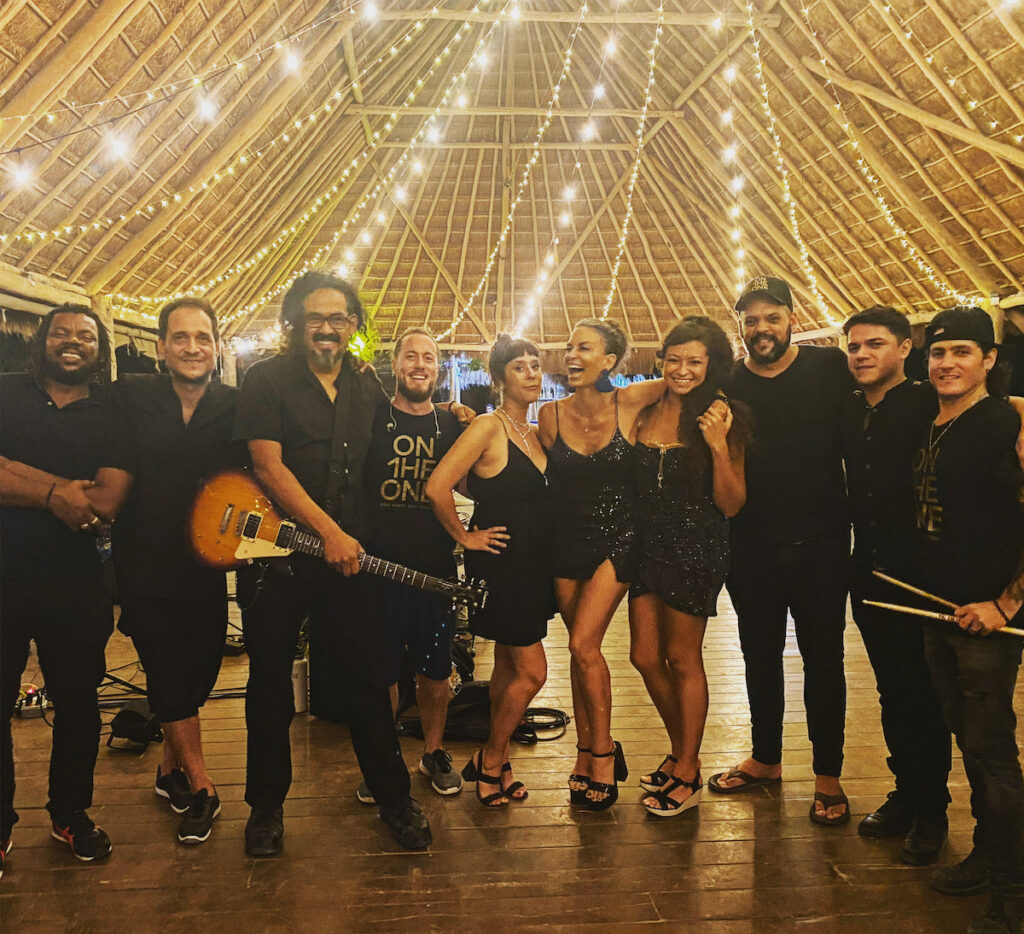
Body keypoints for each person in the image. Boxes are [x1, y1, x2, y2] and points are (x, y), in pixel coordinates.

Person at [232, 271, 431, 854]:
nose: (327, 328)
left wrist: (452, 416)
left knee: (369, 681)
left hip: (349, 563)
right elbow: (269, 467)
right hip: (279, 559)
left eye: (338, 317)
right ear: (295, 323)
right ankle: (265, 810)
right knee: (270, 686)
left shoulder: (367, 386)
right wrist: (331, 533)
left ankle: (393, 799)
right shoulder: (266, 380)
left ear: (352, 326)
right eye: (315, 317)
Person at [710, 275, 853, 827]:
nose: (761, 328)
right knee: (758, 655)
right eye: (751, 319)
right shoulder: (728, 382)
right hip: (751, 544)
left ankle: (828, 776)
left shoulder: (829, 369)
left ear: (792, 318)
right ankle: (766, 758)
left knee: (824, 660)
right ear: (740, 326)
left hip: (822, 542)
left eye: (772, 316)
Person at [0, 304, 131, 873]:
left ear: (100, 350)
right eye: (62, 334)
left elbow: (103, 502)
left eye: (85, 336)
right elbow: (78, 498)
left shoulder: (114, 415)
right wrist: (57, 492)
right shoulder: (5, 393)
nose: (73, 343)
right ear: (42, 341)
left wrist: (15, 476)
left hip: (79, 585)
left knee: (79, 707)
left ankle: (70, 813)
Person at [908, 307, 1023, 934]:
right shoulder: (936, 420)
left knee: (993, 752)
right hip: (939, 610)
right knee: (972, 749)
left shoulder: (1003, 423)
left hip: (988, 621)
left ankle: (1013, 891)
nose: (947, 363)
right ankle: (987, 854)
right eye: (938, 353)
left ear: (989, 361)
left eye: (961, 352)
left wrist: (1006, 603)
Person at [111, 297, 242, 845]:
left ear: (216, 347)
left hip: (205, 567)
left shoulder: (236, 404)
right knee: (167, 670)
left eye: (203, 338)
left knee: (201, 669)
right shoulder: (129, 396)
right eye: (181, 338)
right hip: (142, 562)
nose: (192, 347)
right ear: (161, 347)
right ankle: (203, 785)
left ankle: (168, 771)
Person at [536, 319, 663, 810]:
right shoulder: (549, 415)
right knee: (581, 653)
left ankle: (604, 755)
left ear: (610, 361)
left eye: (583, 348)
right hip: (565, 540)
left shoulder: (630, 401)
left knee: (582, 641)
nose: (571, 354)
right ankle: (585, 751)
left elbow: (688, 378)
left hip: (620, 536)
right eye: (568, 347)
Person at [841, 305, 952, 864]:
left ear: (905, 348)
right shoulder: (851, 409)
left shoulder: (929, 403)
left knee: (925, 696)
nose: (862, 355)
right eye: (855, 346)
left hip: (921, 575)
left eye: (875, 345)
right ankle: (907, 792)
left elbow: (999, 411)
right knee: (892, 691)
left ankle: (933, 811)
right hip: (868, 573)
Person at [426, 334, 555, 807]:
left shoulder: (535, 429)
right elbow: (437, 486)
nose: (531, 373)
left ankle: (496, 762)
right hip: (501, 566)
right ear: (499, 378)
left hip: (532, 565)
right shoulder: (486, 427)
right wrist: (465, 536)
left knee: (507, 666)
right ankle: (492, 757)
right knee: (533, 672)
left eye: (535, 365)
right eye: (519, 367)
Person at [628, 318, 750, 817]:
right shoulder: (645, 409)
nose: (681, 369)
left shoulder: (724, 417)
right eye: (673, 359)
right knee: (642, 656)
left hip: (696, 546)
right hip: (645, 546)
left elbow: (732, 504)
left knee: (682, 659)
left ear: (710, 365)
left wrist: (719, 446)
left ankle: (688, 769)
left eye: (693, 361)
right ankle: (683, 753)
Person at [360, 327, 464, 800]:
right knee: (381, 673)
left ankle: (434, 751)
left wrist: (470, 537)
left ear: (438, 370)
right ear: (396, 365)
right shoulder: (369, 417)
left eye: (429, 357)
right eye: (410, 356)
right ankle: (383, 763)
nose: (419, 364)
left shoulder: (454, 428)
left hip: (435, 572)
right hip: (376, 572)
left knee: (435, 671)